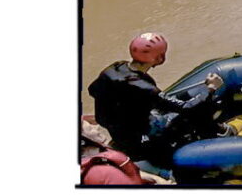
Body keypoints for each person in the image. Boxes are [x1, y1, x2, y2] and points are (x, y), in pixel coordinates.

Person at [87, 32, 224, 164]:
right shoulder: (144, 88)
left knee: (183, 100)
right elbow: (186, 108)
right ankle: (218, 135)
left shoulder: (116, 67)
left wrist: (124, 106)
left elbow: (92, 90)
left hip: (121, 130)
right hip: (141, 138)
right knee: (201, 108)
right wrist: (211, 89)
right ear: (159, 58)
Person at [80, 119, 172, 185]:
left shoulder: (101, 154)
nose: (97, 128)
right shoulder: (103, 173)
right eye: (90, 129)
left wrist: (155, 178)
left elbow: (130, 172)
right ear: (82, 142)